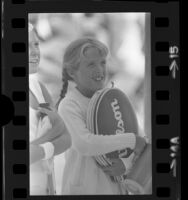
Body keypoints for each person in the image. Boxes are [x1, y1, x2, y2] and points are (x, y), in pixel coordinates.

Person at [56, 38, 146, 195]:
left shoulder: (114, 98)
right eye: (91, 64)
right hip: (83, 191)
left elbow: (142, 144)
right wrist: (131, 140)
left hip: (115, 190)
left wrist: (126, 164)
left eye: (103, 62)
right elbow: (85, 144)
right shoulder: (69, 105)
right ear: (72, 72)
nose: (100, 69)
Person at [29, 23, 71, 195]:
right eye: (26, 46)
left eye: (36, 44)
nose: (34, 51)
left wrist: (40, 150)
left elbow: (64, 136)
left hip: (45, 187)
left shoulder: (39, 89)